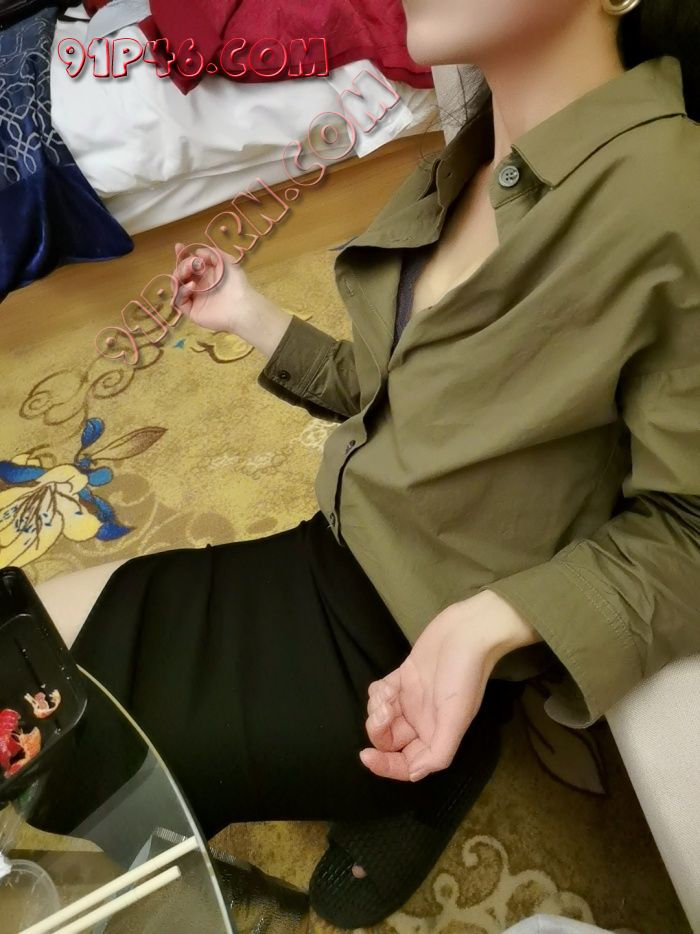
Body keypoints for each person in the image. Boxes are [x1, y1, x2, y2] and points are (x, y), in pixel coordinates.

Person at [35, 0, 700, 928]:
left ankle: (430, 769)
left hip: (397, 657)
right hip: (322, 554)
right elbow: (395, 394)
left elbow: (690, 530)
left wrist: (489, 627)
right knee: (22, 646)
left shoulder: (673, 196)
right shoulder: (474, 159)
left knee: (59, 738)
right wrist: (251, 316)